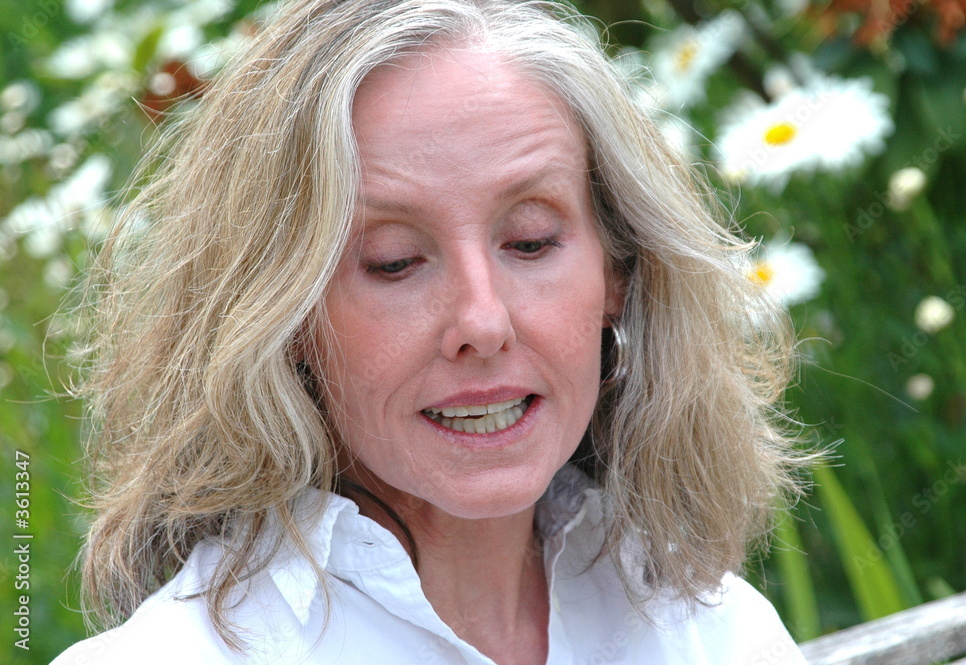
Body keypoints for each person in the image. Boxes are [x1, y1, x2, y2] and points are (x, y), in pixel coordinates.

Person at [55, 0, 808, 663]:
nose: (482, 321)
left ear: (619, 273)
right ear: (282, 317)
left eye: (531, 242)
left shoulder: (711, 632)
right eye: (394, 261)